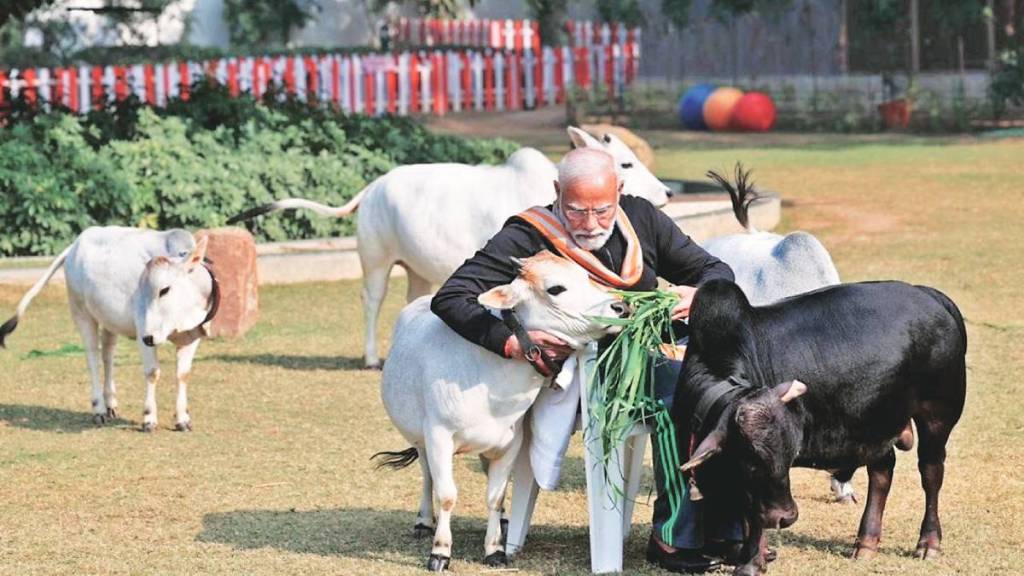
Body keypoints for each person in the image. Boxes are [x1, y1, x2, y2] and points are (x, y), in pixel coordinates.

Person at [431, 147, 741, 573]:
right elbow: (451, 296)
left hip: (652, 348)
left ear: (621, 192)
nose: (590, 224)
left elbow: (715, 270)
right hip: (587, 370)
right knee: (680, 390)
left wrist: (698, 293)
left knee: (729, 389)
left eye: (602, 209)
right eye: (576, 211)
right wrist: (514, 342)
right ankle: (673, 538)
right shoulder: (528, 234)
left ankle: (726, 528)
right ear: (558, 193)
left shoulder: (642, 219)